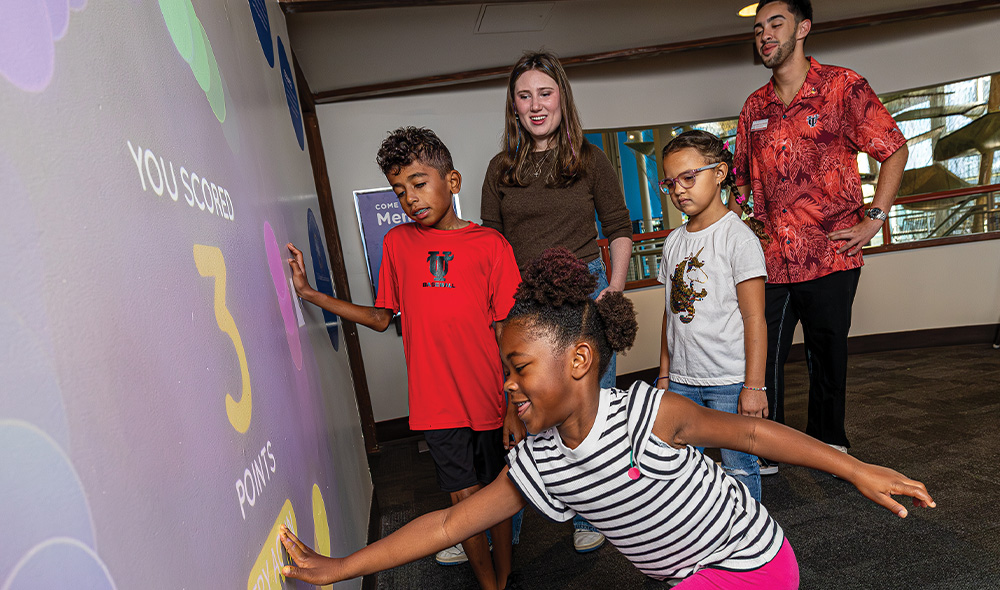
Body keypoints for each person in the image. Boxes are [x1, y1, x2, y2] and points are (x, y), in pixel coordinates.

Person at [276, 247, 935, 589]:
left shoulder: (649, 415)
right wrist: (341, 567)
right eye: (505, 370)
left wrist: (852, 468)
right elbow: (449, 521)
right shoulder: (536, 462)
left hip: (749, 562)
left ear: (582, 360)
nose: (507, 385)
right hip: (685, 572)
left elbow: (755, 433)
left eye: (520, 367)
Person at [287, 126, 520, 590]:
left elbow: (508, 333)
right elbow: (380, 317)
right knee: (462, 500)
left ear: (451, 181)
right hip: (435, 402)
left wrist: (515, 404)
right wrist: (311, 294)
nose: (410, 198)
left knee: (498, 494)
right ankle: (488, 584)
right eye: (399, 190)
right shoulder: (396, 243)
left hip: (492, 396)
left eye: (418, 183)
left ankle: (507, 575)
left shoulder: (491, 245)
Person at [732, 0, 909, 474]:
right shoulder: (755, 106)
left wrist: (876, 216)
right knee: (762, 353)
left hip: (830, 255)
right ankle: (769, 445)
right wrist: (739, 227)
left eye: (776, 24)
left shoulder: (842, 87)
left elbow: (894, 148)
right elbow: (740, 184)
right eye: (758, 30)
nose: (765, 35)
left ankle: (830, 442)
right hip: (769, 259)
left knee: (826, 354)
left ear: (803, 28)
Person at [481, 49, 633, 553]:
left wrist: (614, 287)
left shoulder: (589, 159)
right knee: (525, 407)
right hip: (524, 297)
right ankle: (506, 524)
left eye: (545, 93)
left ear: (562, 98)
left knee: (592, 409)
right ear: (514, 107)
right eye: (525, 96)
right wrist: (499, 313)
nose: (536, 104)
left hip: (585, 287)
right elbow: (491, 246)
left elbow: (617, 229)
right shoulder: (500, 169)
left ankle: (597, 514)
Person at [656, 130, 767, 501]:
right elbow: (670, 317)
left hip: (730, 382)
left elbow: (755, 319)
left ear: (719, 173)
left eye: (689, 178)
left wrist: (754, 387)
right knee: (684, 474)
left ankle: (748, 544)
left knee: (738, 468)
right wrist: (664, 375)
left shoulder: (738, 238)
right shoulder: (673, 242)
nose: (679, 190)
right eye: (671, 183)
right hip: (683, 382)